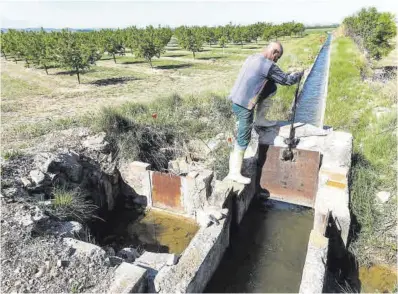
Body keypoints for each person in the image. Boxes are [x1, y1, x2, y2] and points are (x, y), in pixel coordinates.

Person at [226, 41, 304, 184]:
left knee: (271, 86)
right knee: (244, 137)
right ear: (274, 52)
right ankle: (234, 173)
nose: (276, 60)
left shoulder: (253, 58)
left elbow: (271, 79)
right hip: (244, 105)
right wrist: (297, 76)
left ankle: (260, 120)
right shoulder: (268, 66)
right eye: (277, 57)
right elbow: (286, 80)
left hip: (235, 99)